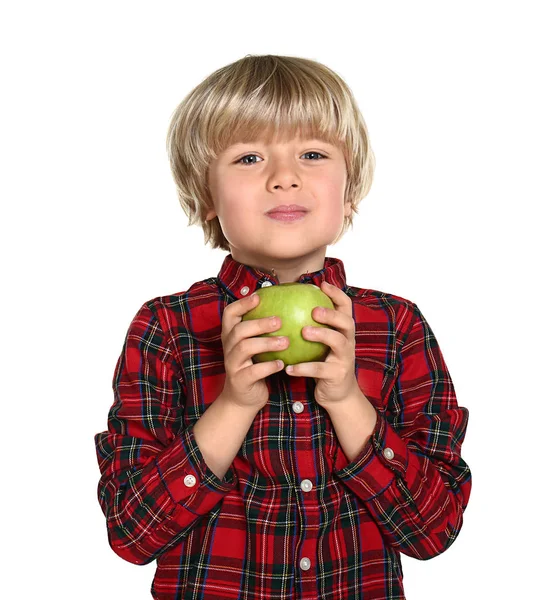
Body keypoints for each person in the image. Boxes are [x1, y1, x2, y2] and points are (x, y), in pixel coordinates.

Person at [94, 54, 471, 600]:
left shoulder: (396, 326)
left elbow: (434, 530)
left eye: (312, 154)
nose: (284, 177)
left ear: (350, 194)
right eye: (248, 157)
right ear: (206, 199)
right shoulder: (166, 329)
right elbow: (132, 533)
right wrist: (234, 404)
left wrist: (345, 399)